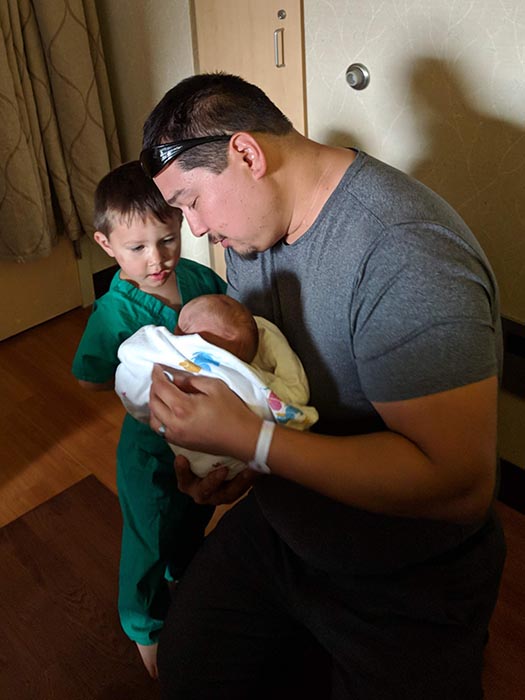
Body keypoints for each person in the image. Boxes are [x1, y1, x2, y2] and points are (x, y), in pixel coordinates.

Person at [140, 73, 506, 699]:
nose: (194, 229)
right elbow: (275, 382)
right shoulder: (252, 230)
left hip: (406, 567)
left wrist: (254, 442)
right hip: (288, 524)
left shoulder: (407, 254)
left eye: (189, 202)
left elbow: (459, 486)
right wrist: (232, 461)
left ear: (247, 155)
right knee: (186, 668)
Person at [71, 160, 226, 680]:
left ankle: (184, 572)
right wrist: (134, 375)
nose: (156, 260)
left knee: (193, 516)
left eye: (166, 240)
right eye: (137, 248)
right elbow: (89, 377)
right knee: (149, 536)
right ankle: (146, 628)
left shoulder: (199, 278)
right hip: (149, 450)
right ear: (107, 244)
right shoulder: (114, 314)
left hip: (203, 436)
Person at [115, 294, 318, 479]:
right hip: (241, 463)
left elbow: (131, 353)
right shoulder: (257, 379)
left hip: (232, 454)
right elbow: (293, 396)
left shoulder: (170, 350)